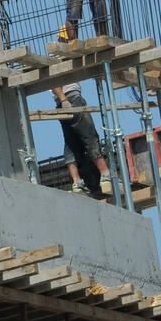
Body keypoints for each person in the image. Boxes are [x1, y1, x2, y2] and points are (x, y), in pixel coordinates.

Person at [52, 26, 112, 195]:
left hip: (63, 104)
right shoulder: (58, 57)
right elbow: (54, 82)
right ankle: (106, 175)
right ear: (63, 39)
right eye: (70, 38)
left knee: (71, 143)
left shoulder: (63, 56)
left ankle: (77, 182)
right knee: (89, 136)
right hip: (72, 100)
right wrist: (64, 100)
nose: (72, 41)